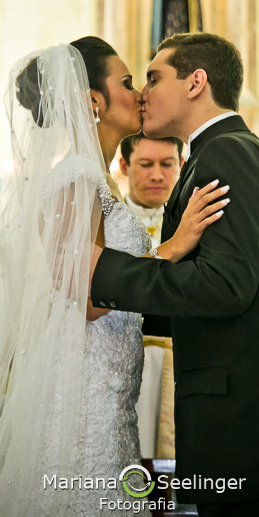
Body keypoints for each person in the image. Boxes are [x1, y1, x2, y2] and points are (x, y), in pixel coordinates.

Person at [0, 37, 225, 517]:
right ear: (93, 101)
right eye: (128, 83)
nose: (140, 93)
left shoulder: (95, 179)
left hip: (108, 382)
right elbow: (86, 295)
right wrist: (172, 248)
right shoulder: (75, 180)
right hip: (84, 389)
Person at [91, 32, 259, 517]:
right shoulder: (228, 151)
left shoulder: (226, 153)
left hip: (253, 437)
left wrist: (105, 272)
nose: (144, 93)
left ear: (196, 82)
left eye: (154, 77)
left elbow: (225, 286)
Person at [119, 132, 183, 458]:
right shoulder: (107, 224)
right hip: (118, 360)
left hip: (179, 358)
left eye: (167, 164)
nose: (157, 174)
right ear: (123, 165)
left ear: (182, 165)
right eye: (146, 164)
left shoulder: (193, 224)